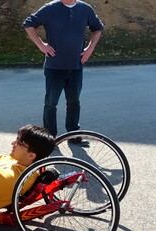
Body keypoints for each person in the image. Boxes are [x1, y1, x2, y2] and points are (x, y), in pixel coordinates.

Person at [23, 0, 104, 138]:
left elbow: (97, 28)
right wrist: (41, 45)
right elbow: (29, 24)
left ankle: (73, 134)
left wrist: (90, 48)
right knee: (50, 103)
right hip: (54, 67)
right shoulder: (50, 8)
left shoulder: (85, 9)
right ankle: (49, 137)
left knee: (74, 102)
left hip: (76, 66)